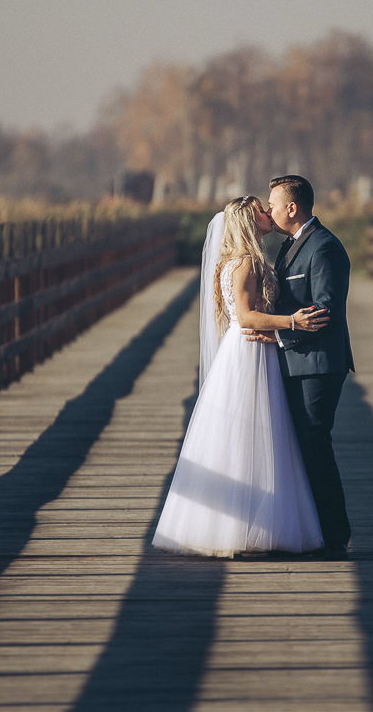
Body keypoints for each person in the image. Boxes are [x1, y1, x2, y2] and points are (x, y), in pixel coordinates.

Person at [152, 196, 330, 557]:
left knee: (250, 435)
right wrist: (293, 321)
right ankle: (249, 528)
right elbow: (246, 317)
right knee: (255, 434)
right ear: (250, 222)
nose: (268, 214)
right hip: (250, 350)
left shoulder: (234, 261)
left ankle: (243, 524)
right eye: (262, 212)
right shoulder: (246, 263)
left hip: (250, 349)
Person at [246, 175, 355, 559]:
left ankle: (334, 537)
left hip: (318, 366)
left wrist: (280, 336)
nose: (270, 212)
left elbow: (325, 308)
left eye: (274, 205)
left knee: (314, 444)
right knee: (303, 446)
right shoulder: (292, 246)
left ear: (292, 208)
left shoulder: (323, 248)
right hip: (298, 362)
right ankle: (312, 531)